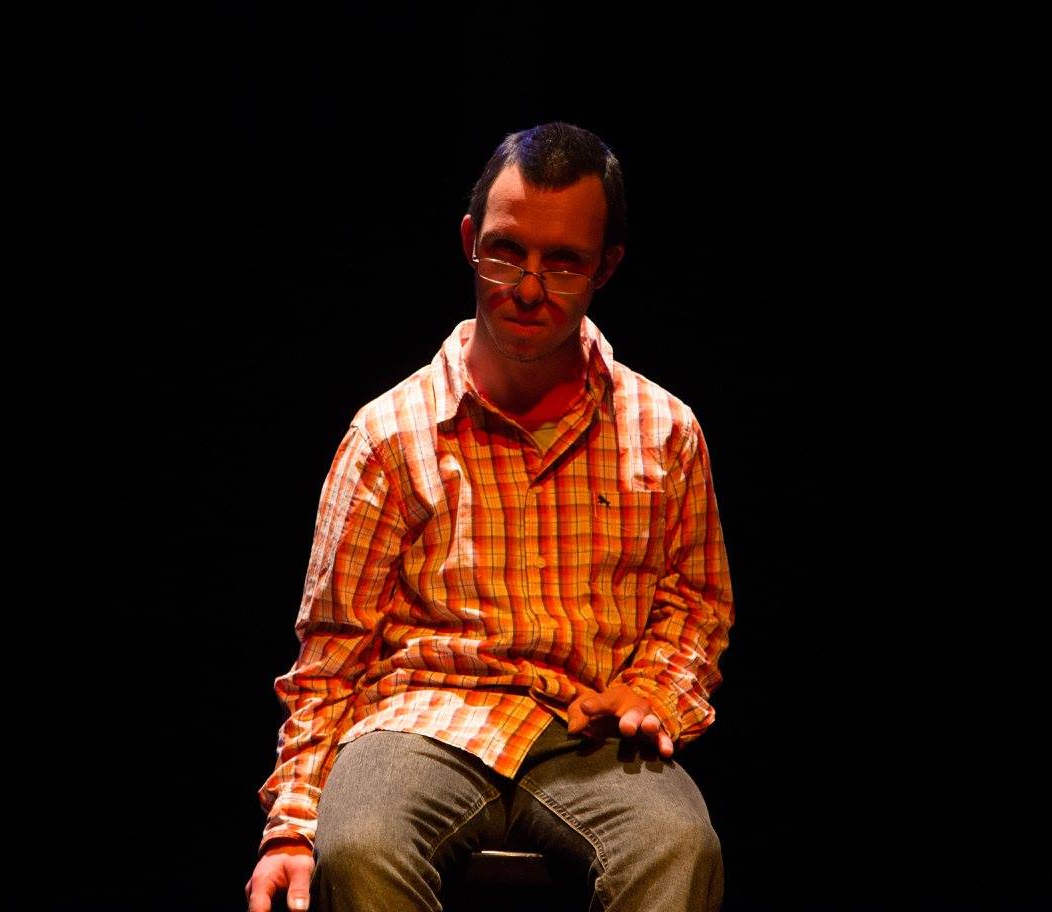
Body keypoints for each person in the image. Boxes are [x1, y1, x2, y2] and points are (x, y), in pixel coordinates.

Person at [246, 122, 734, 912]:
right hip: (420, 720)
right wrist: (292, 827)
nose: (529, 288)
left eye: (562, 262)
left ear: (606, 266)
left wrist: (651, 689)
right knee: (361, 843)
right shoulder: (390, 434)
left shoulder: (665, 430)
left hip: (590, 733)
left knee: (678, 846)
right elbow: (331, 657)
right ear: (471, 241)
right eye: (507, 253)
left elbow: (697, 605)